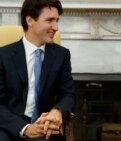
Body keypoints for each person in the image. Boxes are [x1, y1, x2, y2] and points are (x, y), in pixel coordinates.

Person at [0, 0, 75, 140]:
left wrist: (57, 111)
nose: (56, 27)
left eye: (57, 20)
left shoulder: (62, 55)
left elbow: (68, 94)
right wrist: (26, 129)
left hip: (44, 127)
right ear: (30, 20)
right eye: (50, 20)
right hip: (9, 128)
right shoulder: (3, 56)